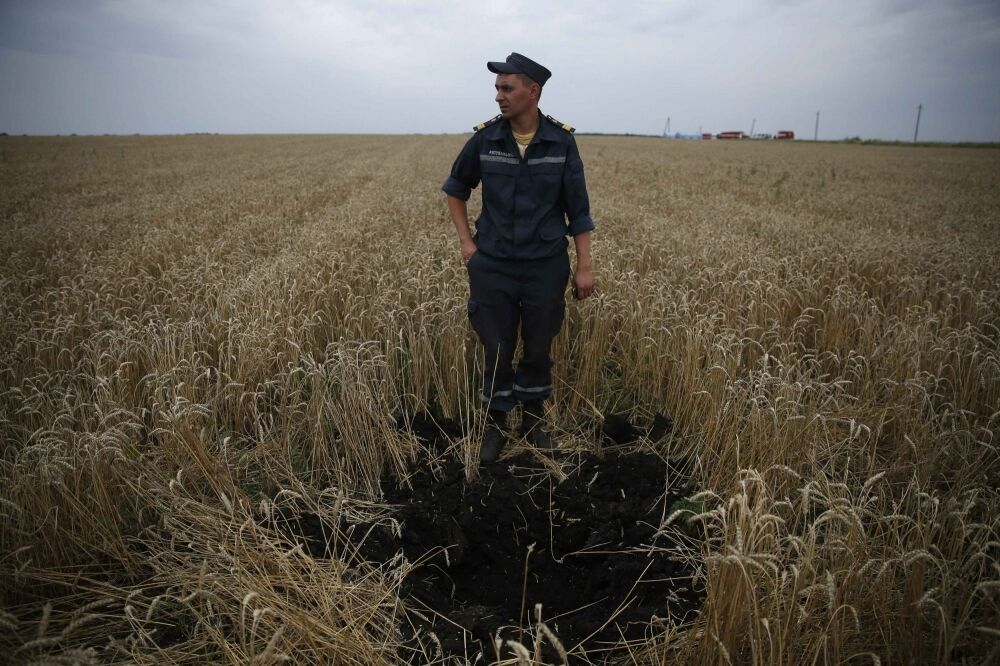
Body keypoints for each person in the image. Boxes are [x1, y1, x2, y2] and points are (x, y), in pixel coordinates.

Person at [442, 52, 595, 464]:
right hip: (493, 262)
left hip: (545, 263)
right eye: (496, 88)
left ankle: (533, 417)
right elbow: (456, 189)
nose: (498, 97)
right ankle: (495, 422)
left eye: (506, 88)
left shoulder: (561, 142)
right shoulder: (486, 139)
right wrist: (467, 245)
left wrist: (584, 265)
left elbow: (578, 210)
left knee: (539, 344)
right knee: (496, 343)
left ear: (533, 91)